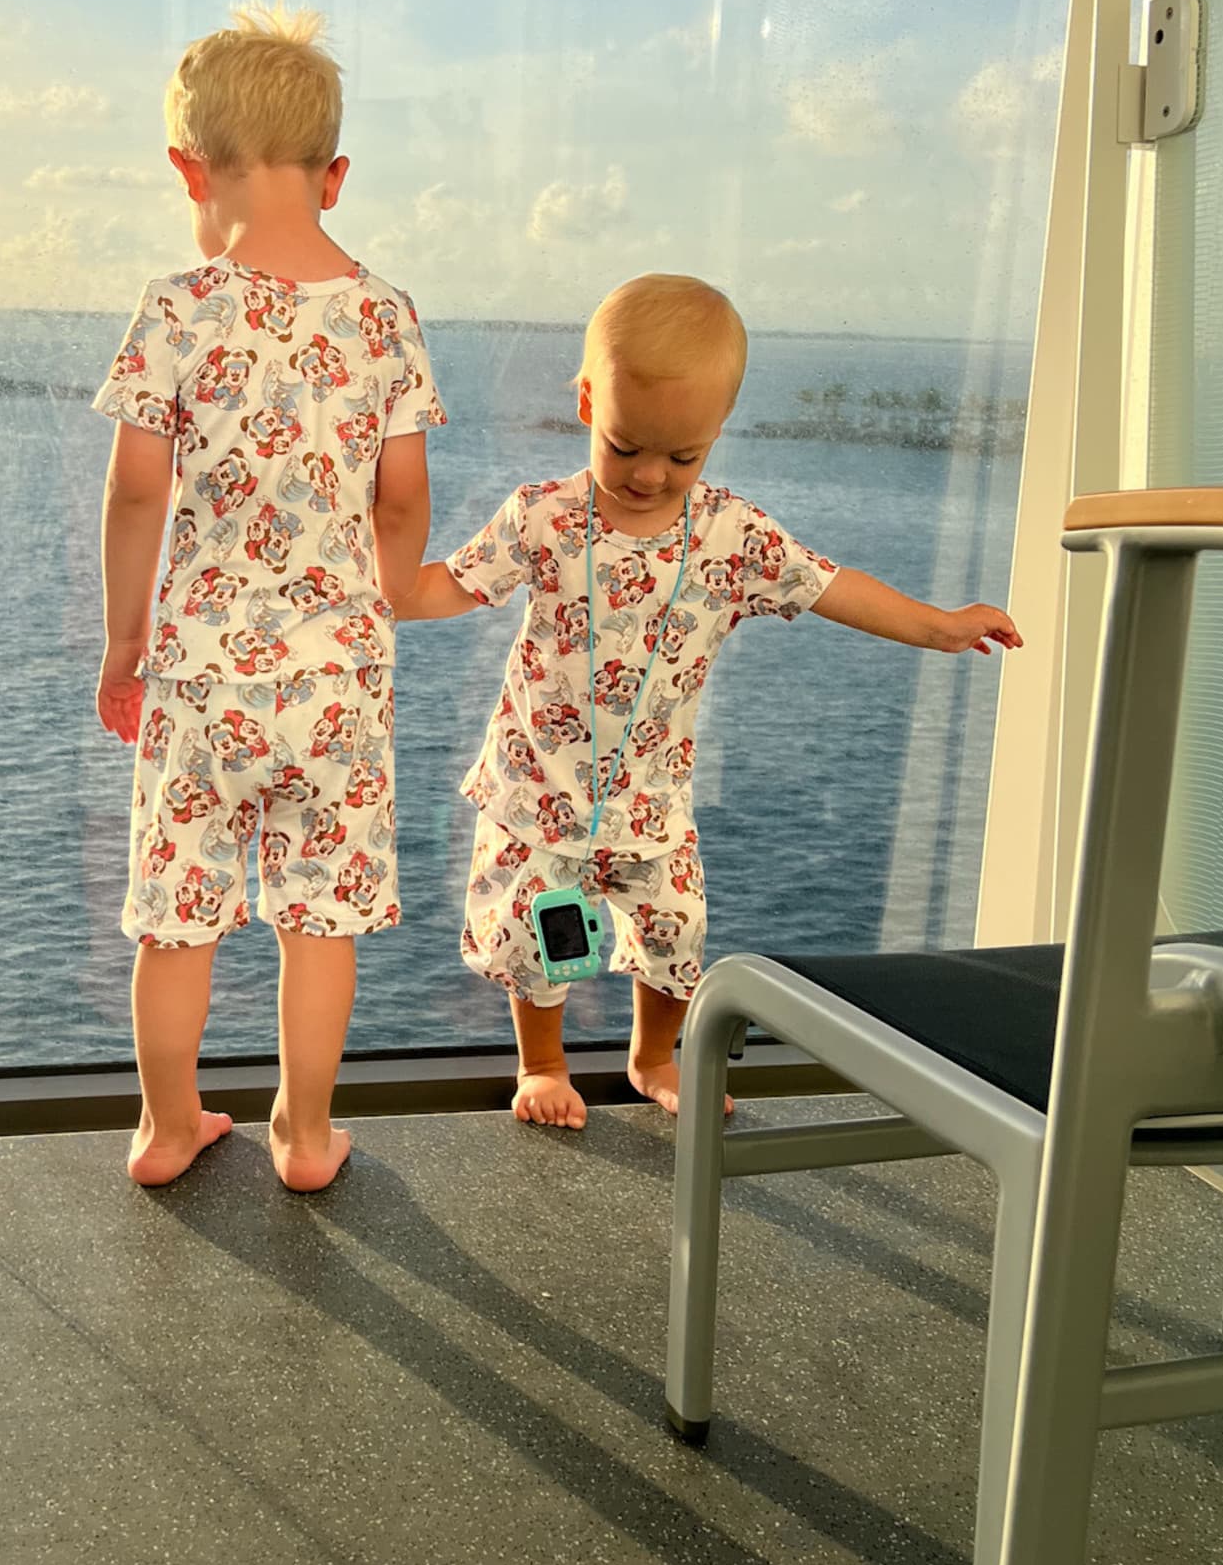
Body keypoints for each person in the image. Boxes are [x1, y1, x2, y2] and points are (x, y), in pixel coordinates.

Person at [394, 273, 1019, 1130]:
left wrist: (938, 625)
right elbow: (444, 587)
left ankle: (655, 1054)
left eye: (682, 456)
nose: (650, 474)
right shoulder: (542, 518)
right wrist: (362, 584)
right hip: (536, 788)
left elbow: (835, 587)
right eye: (624, 447)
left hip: (650, 797)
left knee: (675, 928)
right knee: (531, 933)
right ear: (585, 402)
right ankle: (541, 1064)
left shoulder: (732, 538)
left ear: (717, 431)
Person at [94, 0, 442, 1190]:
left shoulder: (177, 308)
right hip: (336, 674)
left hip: (197, 673)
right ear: (334, 177)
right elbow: (400, 499)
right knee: (319, 916)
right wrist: (382, 592)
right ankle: (301, 1134)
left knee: (175, 915)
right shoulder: (385, 318)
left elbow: (137, 493)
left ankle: (164, 1126)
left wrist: (122, 647)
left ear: (189, 169)